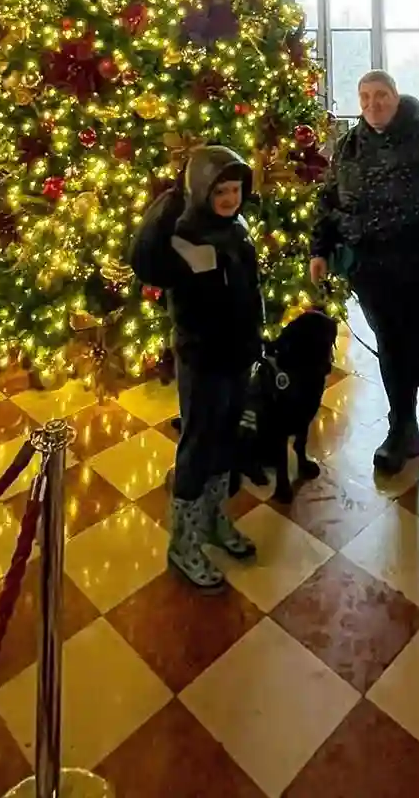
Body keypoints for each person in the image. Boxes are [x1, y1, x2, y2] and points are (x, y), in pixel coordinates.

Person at [310, 71, 419, 535]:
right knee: (392, 355)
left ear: (395, 96)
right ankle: (402, 431)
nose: (372, 104)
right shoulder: (349, 146)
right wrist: (319, 249)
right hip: (373, 276)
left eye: (380, 95)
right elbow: (328, 201)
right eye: (364, 97)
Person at [129, 145, 263, 589]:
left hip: (238, 353)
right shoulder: (184, 235)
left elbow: (250, 290)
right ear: (202, 190)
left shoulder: (238, 228)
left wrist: (255, 339)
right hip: (203, 357)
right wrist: (168, 202)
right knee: (199, 444)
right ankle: (183, 543)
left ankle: (214, 521)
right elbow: (146, 263)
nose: (229, 198)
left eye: (235, 189)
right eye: (220, 190)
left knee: (226, 441)